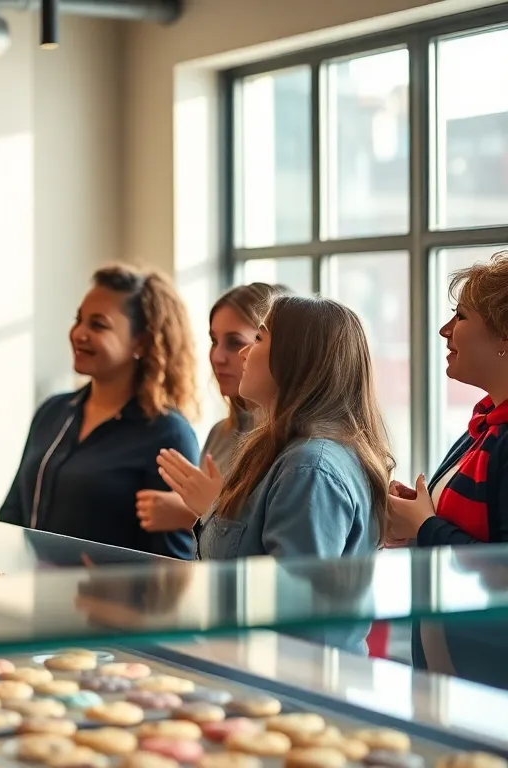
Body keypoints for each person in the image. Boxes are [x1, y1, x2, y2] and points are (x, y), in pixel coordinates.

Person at [192, 295, 393, 655]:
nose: (241, 354)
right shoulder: (279, 451)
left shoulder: (310, 468)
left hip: (291, 687)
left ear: (296, 358)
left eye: (258, 339)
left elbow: (297, 623)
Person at [0, 264, 200, 559]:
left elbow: (174, 562)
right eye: (78, 320)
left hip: (110, 603)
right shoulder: (53, 412)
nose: (79, 333)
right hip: (35, 596)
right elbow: (13, 513)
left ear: (141, 342)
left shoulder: (167, 432)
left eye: (98, 325)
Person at [387, 250, 508, 687]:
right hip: (453, 662)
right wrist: (415, 515)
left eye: (460, 316)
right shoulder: (485, 423)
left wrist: (424, 527)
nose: (444, 330)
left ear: (504, 337)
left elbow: (502, 570)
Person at [143, 282, 284, 533]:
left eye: (234, 342)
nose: (217, 357)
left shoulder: (291, 444)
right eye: (214, 340)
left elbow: (271, 541)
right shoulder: (221, 432)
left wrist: (191, 513)